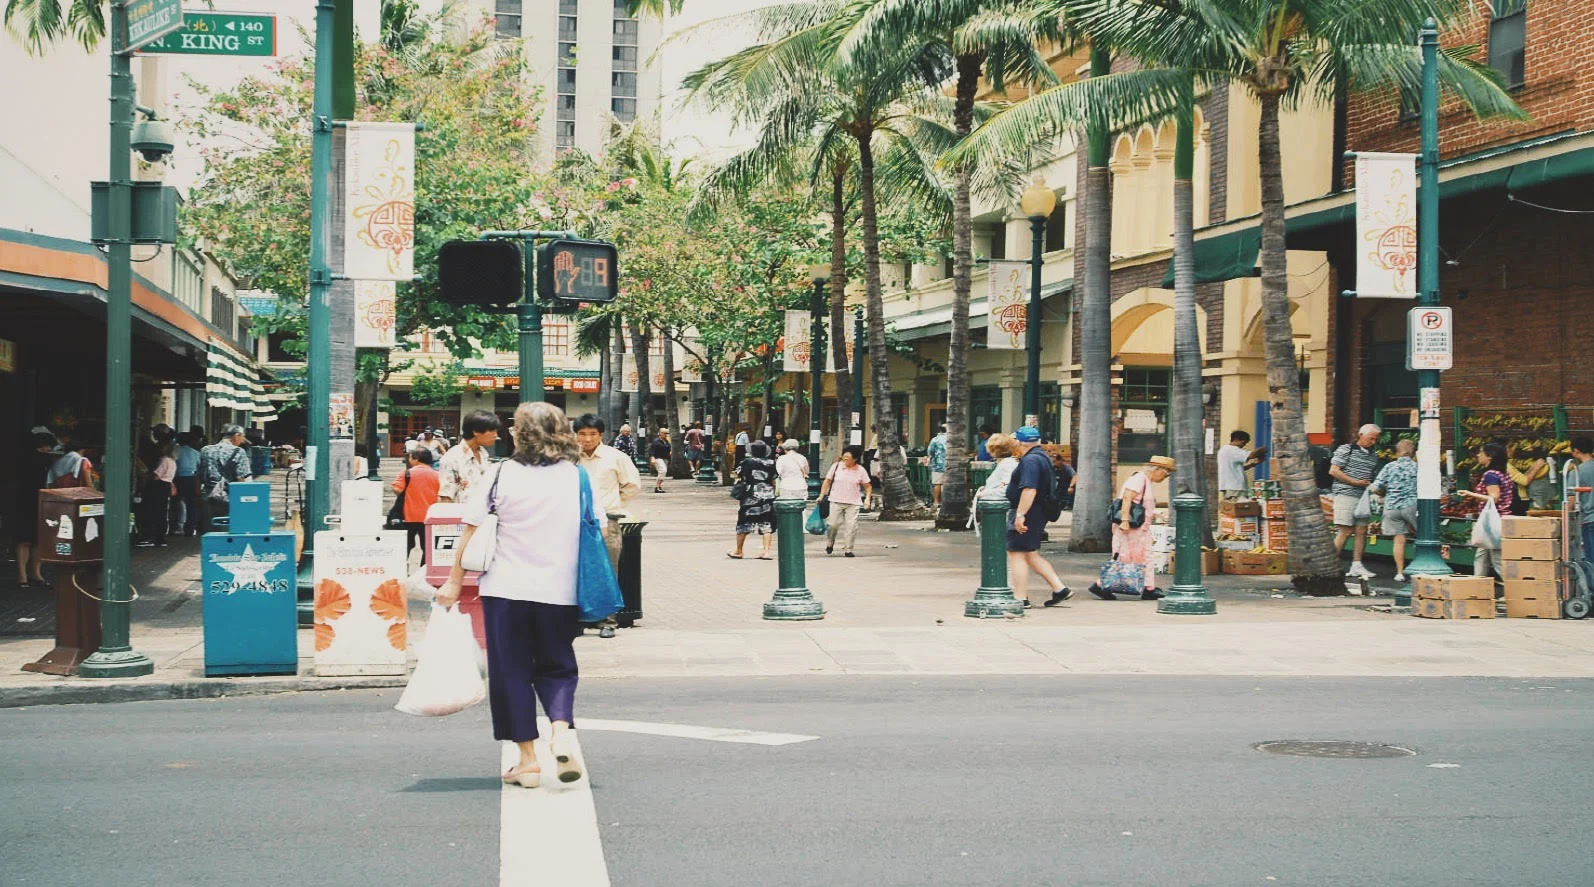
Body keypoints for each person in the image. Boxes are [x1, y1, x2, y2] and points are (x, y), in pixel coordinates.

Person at [437, 402, 588, 789]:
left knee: (511, 673)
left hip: (506, 590)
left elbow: (470, 528)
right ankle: (560, 732)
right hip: (561, 590)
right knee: (558, 666)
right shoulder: (577, 477)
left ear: (521, 434)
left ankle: (527, 761)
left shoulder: (500, 473)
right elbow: (596, 529)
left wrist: (455, 581)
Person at [574, 414, 640, 639]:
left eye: (592, 434)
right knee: (576, 570)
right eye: (582, 434)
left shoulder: (615, 457)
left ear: (600, 435)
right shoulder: (569, 458)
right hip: (576, 522)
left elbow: (632, 484)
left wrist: (613, 504)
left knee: (608, 570)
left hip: (608, 522)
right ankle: (578, 619)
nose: (587, 439)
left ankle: (608, 621)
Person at [1005, 426, 1073, 607]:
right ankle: (1060, 588)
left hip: (1029, 510)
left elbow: (1029, 489)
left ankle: (1020, 598)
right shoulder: (1042, 457)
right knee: (1030, 553)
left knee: (1017, 553)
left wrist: (1020, 515)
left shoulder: (1030, 461)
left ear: (1019, 443)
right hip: (1038, 511)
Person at [1092, 456, 1176, 601]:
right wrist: (1124, 521)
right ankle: (1102, 585)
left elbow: (1139, 505)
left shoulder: (1145, 481)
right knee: (1126, 557)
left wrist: (1155, 514)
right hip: (1131, 528)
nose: (1165, 477)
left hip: (1139, 528)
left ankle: (1148, 587)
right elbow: (1127, 498)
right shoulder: (1139, 479)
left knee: (1143, 557)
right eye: (1166, 473)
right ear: (1158, 469)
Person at [1330, 424, 1381, 580]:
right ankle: (1328, 565)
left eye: (1375, 439)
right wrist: (1354, 482)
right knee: (1345, 530)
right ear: (1360, 435)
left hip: (1363, 496)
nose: (1372, 442)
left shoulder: (1373, 455)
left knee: (1361, 531)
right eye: (1370, 438)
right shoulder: (1346, 449)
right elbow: (1334, 470)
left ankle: (1357, 565)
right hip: (1345, 494)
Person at [1458, 440, 1514, 581]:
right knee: (1482, 555)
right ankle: (1477, 586)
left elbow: (1493, 498)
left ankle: (1514, 590)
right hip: (1499, 519)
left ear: (1490, 456)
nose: (1478, 455)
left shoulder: (1491, 475)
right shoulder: (1503, 473)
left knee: (1497, 559)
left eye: (1481, 452)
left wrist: (1469, 494)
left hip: (1493, 521)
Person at [1368, 438, 1418, 582]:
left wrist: (1383, 494)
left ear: (1397, 452)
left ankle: (1400, 572)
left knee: (1398, 540)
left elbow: (1375, 488)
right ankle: (1420, 567)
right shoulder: (1417, 467)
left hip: (1392, 507)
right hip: (1411, 506)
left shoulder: (1389, 467)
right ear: (1412, 453)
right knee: (1422, 537)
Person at [13, 431, 57, 587]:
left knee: (24, 539)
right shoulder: (48, 461)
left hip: (24, 500)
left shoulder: (21, 458)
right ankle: (35, 572)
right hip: (41, 500)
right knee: (39, 539)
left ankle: (22, 575)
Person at [819, 445, 872, 557]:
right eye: (844, 456)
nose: (845, 458)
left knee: (851, 526)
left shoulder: (860, 470)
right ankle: (830, 541)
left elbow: (867, 486)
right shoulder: (836, 466)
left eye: (848, 457)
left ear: (855, 459)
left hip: (853, 502)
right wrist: (821, 495)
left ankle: (848, 549)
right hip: (835, 500)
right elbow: (827, 481)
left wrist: (867, 499)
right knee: (832, 525)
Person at [439, 410, 501, 504]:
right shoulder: (452, 458)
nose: (496, 436)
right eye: (492, 431)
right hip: (461, 515)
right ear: (476, 431)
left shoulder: (484, 454)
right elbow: (446, 497)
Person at [730, 440, 779, 560]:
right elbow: (774, 478)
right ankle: (766, 551)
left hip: (750, 495)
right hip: (767, 494)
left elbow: (737, 474)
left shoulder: (747, 462)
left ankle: (739, 550)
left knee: (744, 522)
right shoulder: (772, 463)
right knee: (767, 522)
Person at [198, 425, 252, 532]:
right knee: (227, 535)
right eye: (242, 437)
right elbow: (241, 479)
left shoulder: (205, 450)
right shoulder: (238, 452)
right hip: (229, 499)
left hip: (208, 497)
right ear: (236, 436)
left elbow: (198, 476)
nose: (242, 441)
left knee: (209, 535)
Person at [392, 447, 440, 559]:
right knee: (428, 547)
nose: (408, 460)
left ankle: (402, 569)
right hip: (429, 517)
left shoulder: (406, 473)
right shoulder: (437, 475)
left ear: (416, 459)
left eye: (409, 457)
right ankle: (424, 571)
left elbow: (397, 489)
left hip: (408, 517)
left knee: (405, 546)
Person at [135, 441, 176, 548]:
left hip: (158, 486)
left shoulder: (164, 460)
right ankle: (160, 538)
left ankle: (148, 537)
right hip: (167, 486)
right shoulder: (173, 462)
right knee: (162, 512)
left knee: (151, 511)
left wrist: (145, 474)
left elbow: (156, 475)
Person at [172, 431, 202, 536]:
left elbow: (173, 465)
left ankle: (173, 526)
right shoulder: (196, 453)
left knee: (175, 503)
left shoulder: (176, 451)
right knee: (191, 504)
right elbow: (199, 468)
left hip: (178, 478)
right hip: (192, 479)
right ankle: (189, 528)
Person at [1507, 445, 1553, 514]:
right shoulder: (1506, 466)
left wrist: (1532, 468)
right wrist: (1536, 468)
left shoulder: (1505, 465)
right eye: (1509, 448)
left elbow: (1522, 477)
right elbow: (1525, 481)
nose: (1511, 450)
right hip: (1517, 501)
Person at [1217, 430, 1261, 499]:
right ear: (1236, 439)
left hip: (1230, 487)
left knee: (1231, 508)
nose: (1244, 445)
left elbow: (1237, 468)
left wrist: (1252, 464)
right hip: (1235, 488)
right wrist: (1263, 449)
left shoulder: (1224, 449)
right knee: (1240, 508)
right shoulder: (1233, 450)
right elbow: (1251, 455)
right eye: (1243, 442)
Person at [1570, 436, 1594, 563]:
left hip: (1590, 520)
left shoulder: (1576, 472)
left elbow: (1571, 502)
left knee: (1591, 560)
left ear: (1576, 451)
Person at [927, 424, 949, 508]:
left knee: (937, 483)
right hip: (949, 465)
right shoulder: (951, 440)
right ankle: (945, 502)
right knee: (947, 484)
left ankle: (936, 502)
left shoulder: (935, 440)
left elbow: (930, 452)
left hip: (937, 465)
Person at [648, 428, 672, 493]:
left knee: (663, 472)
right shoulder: (656, 441)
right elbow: (651, 450)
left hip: (665, 458)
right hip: (658, 458)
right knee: (663, 470)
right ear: (660, 433)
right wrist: (652, 458)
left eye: (667, 433)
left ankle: (659, 486)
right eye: (665, 433)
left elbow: (669, 448)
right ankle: (657, 486)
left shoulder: (666, 441)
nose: (666, 435)